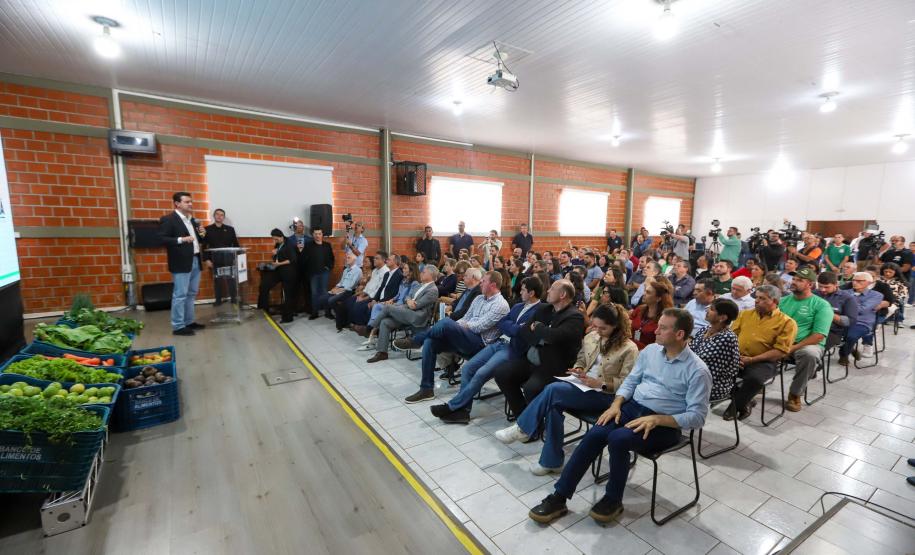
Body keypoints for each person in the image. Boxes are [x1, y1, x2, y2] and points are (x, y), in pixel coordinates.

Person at [527, 308, 710, 524]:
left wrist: (657, 419)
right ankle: (559, 497)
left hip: (664, 424)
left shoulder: (697, 370)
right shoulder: (651, 351)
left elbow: (698, 416)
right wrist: (616, 404)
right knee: (595, 434)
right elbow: (631, 381)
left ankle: (613, 499)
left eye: (663, 328)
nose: (656, 331)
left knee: (618, 439)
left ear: (679, 334)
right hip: (633, 408)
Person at [496, 303, 638, 475]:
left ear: (616, 326)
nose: (598, 331)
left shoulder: (629, 348)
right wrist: (578, 369)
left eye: (603, 328)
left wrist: (599, 384)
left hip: (606, 395)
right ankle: (551, 461)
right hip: (583, 386)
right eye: (595, 326)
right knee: (553, 406)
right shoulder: (592, 337)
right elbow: (581, 359)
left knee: (553, 390)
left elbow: (627, 383)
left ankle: (524, 429)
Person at [430, 276, 543, 424]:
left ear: (532, 293)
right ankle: (463, 412)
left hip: (512, 349)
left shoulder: (540, 311)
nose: (520, 292)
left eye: (523, 289)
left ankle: (453, 407)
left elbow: (521, 333)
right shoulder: (517, 306)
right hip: (498, 343)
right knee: (468, 368)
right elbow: (503, 324)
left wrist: (514, 328)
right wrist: (515, 328)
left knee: (481, 373)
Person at [395, 271, 508, 403]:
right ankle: (426, 389)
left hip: (480, 345)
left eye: (484, 281)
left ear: (493, 285)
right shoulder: (478, 299)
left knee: (447, 323)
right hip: (466, 337)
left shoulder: (501, 304)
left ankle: (416, 340)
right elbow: (466, 318)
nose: (481, 283)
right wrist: (460, 325)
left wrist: (460, 326)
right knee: (431, 342)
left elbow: (479, 327)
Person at [493, 279, 584, 417]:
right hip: (533, 359)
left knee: (531, 388)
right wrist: (542, 339)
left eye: (552, 288)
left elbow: (555, 336)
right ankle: (522, 416)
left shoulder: (575, 316)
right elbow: (524, 331)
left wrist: (539, 328)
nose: (548, 290)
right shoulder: (544, 309)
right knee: (501, 373)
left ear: (562, 294)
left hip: (554, 366)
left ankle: (532, 423)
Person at [726, 285, 798, 421]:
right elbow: (731, 335)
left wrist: (752, 360)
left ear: (775, 302)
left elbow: (780, 351)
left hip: (764, 362)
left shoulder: (787, 323)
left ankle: (736, 405)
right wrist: (735, 356)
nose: (756, 301)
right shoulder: (745, 314)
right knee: (712, 369)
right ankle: (746, 399)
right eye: (756, 297)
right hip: (738, 356)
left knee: (755, 379)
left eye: (762, 298)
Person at [778, 267, 833, 412]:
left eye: (799, 280)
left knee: (809, 354)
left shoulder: (821, 305)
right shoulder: (782, 301)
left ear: (810, 284)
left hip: (806, 344)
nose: (794, 282)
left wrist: (793, 347)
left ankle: (795, 393)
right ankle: (754, 384)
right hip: (782, 341)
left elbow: (819, 335)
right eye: (794, 279)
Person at [366, 265, 440, 363]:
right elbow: (407, 297)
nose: (421, 273)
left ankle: (371, 327)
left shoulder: (433, 290)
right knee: (385, 322)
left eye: (424, 272)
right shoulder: (419, 285)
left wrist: (410, 302)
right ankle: (382, 353)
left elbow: (416, 306)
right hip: (406, 312)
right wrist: (410, 301)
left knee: (387, 307)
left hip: (417, 317)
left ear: (431, 275)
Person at [158, 192, 207, 336]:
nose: (190, 204)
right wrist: (181, 239)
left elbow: (198, 240)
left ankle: (189, 321)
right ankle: (178, 326)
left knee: (191, 294)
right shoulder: (169, 219)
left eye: (191, 201)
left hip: (196, 260)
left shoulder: (192, 220)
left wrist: (202, 234)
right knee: (180, 295)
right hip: (181, 262)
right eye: (186, 202)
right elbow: (161, 239)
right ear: (177, 204)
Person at [689, 298, 740, 401]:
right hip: (693, 376)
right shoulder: (705, 329)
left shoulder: (727, 338)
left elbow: (706, 366)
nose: (707, 310)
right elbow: (691, 352)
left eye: (711, 309)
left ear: (722, 317)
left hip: (713, 384)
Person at [836, 272, 884, 366]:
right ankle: (849, 347)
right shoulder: (845, 292)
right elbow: (837, 306)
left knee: (851, 336)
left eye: (859, 281)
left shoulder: (876, 295)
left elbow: (862, 309)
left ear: (869, 282)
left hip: (862, 322)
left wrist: (846, 305)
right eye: (853, 280)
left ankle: (844, 354)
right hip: (843, 319)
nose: (855, 283)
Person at [351, 253, 403, 337]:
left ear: (396, 262)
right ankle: (365, 328)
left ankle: (370, 330)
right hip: (380, 298)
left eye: (389, 259)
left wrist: (380, 301)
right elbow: (380, 288)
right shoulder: (387, 274)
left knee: (369, 307)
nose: (387, 261)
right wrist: (375, 299)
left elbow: (395, 293)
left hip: (388, 301)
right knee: (362, 305)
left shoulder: (399, 275)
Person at [335, 251, 390, 331]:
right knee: (347, 302)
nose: (374, 260)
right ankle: (346, 324)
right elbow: (369, 286)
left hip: (374, 297)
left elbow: (378, 289)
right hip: (366, 293)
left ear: (383, 260)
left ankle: (360, 326)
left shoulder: (385, 272)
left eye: (377, 258)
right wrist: (361, 295)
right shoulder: (375, 271)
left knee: (358, 306)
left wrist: (364, 298)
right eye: (374, 258)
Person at [814, 271, 858, 363]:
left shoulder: (847, 298)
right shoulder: (814, 294)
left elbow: (850, 321)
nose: (822, 290)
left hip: (832, 332)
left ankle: (811, 366)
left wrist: (828, 313)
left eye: (826, 287)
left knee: (813, 348)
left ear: (836, 285)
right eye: (820, 286)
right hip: (809, 327)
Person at [256, 228, 297, 323]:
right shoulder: (278, 244)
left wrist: (279, 263)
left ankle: (287, 317)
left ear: (281, 236)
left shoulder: (290, 244)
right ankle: (263, 310)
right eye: (273, 239)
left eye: (276, 239)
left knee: (287, 294)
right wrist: (274, 255)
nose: (275, 241)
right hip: (278, 270)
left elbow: (292, 260)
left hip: (288, 271)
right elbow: (277, 256)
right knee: (264, 286)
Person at [203, 208, 240, 306]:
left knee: (231, 279)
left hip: (228, 258)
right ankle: (218, 300)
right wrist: (206, 259)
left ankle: (233, 299)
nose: (219, 216)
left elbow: (236, 244)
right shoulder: (207, 229)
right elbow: (204, 246)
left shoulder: (230, 229)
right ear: (214, 216)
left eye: (221, 215)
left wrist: (237, 258)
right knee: (217, 280)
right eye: (217, 214)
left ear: (223, 217)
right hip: (215, 259)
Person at [630, 278, 673, 350]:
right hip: (631, 348)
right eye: (645, 291)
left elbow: (659, 346)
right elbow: (627, 326)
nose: (644, 294)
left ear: (658, 299)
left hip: (648, 352)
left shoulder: (664, 318)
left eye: (648, 292)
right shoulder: (639, 309)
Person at [315, 252, 361, 320]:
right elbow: (341, 282)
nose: (346, 259)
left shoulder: (358, 270)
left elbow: (351, 285)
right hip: (340, 289)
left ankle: (340, 315)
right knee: (322, 298)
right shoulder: (346, 270)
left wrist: (340, 290)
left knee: (331, 300)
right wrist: (335, 287)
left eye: (349, 258)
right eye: (346, 258)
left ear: (354, 260)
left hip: (349, 291)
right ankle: (328, 314)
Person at [301, 227, 335, 320]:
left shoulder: (327, 245)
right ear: (313, 235)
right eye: (315, 234)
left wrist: (329, 267)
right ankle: (314, 312)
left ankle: (327, 312)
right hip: (313, 274)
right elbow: (303, 259)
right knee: (314, 293)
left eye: (319, 234)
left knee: (324, 292)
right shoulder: (308, 245)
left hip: (324, 273)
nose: (317, 236)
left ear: (322, 234)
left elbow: (331, 258)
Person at [287, 218, 312, 314]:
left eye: (301, 225)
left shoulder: (309, 239)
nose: (299, 227)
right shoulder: (289, 240)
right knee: (295, 289)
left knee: (307, 289)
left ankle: (309, 308)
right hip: (294, 268)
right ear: (294, 227)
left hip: (306, 268)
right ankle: (294, 309)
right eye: (297, 225)